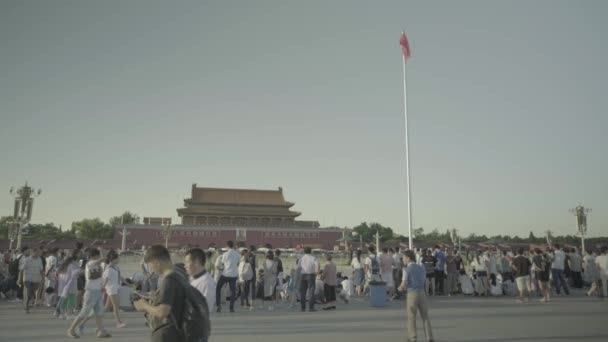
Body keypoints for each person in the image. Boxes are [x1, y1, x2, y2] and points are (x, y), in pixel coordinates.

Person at [134, 245, 190, 342]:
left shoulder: (169, 280)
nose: (152, 270)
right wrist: (157, 296)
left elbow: (162, 312)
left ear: (157, 263)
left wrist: (144, 306)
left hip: (169, 333)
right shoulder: (179, 273)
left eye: (151, 265)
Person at [67, 248, 111, 338]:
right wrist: (101, 252)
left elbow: (104, 263)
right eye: (97, 255)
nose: (99, 257)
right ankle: (71, 329)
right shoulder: (90, 264)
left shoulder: (99, 264)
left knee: (99, 312)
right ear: (93, 256)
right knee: (84, 312)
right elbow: (101, 260)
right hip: (90, 291)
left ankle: (100, 331)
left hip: (98, 291)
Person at [399, 250, 434, 342]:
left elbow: (403, 284)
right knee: (425, 316)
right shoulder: (421, 267)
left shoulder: (406, 269)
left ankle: (413, 337)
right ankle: (429, 337)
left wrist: (400, 288)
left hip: (412, 294)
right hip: (422, 293)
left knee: (411, 316)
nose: (403, 260)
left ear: (408, 258)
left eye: (404, 258)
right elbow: (423, 280)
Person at [214, 241, 240, 313]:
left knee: (218, 288)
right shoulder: (237, 254)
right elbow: (238, 263)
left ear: (227, 246)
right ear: (233, 245)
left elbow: (222, 264)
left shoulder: (225, 254)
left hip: (225, 274)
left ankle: (218, 306)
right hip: (233, 275)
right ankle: (231, 308)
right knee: (233, 291)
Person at [103, 250, 126, 328]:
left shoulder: (116, 267)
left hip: (115, 288)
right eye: (117, 258)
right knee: (116, 305)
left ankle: (95, 317)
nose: (119, 260)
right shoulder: (108, 268)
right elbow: (105, 279)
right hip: (111, 289)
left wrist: (128, 283)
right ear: (113, 259)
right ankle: (118, 322)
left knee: (106, 307)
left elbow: (120, 277)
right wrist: (101, 289)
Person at [55, 252, 80, 319]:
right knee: (71, 299)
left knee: (64, 299)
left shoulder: (63, 266)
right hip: (71, 284)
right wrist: (80, 271)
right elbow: (75, 273)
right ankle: (69, 313)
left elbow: (56, 273)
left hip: (63, 285)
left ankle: (61, 313)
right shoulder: (72, 266)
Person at [21, 247, 44, 313]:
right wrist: (19, 279)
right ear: (33, 252)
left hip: (36, 279)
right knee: (28, 294)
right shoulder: (27, 259)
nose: (38, 253)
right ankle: (26, 307)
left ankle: (27, 302)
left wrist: (43, 279)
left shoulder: (39, 259)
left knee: (31, 293)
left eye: (38, 252)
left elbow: (41, 270)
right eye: (37, 252)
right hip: (27, 279)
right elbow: (21, 270)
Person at [297, 247, 319, 312]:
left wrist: (297, 276)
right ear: (310, 251)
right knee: (311, 291)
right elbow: (317, 266)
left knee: (302, 292)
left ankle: (302, 308)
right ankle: (311, 307)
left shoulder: (301, 258)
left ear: (304, 251)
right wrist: (316, 273)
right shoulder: (313, 258)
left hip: (302, 275)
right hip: (311, 275)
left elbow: (298, 268)